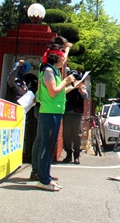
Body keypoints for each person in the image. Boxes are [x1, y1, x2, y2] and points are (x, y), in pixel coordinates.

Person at [35, 42, 75, 191]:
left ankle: (46, 177)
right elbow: (53, 92)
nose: (64, 61)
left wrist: (70, 86)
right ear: (56, 58)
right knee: (46, 146)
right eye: (62, 58)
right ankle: (43, 179)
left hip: (54, 112)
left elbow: (58, 92)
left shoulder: (53, 71)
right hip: (49, 113)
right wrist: (66, 81)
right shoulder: (48, 71)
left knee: (49, 146)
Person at [62, 70, 89, 164]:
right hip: (67, 111)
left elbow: (85, 96)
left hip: (77, 112)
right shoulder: (65, 85)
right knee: (67, 134)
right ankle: (68, 154)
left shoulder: (81, 85)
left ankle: (77, 155)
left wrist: (80, 88)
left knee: (77, 134)